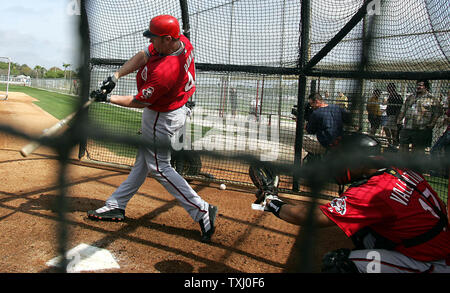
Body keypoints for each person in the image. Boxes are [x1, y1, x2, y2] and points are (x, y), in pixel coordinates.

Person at [87, 14, 218, 243]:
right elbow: (145, 54)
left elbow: (140, 102)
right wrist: (115, 76)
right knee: (143, 162)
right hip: (172, 108)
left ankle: (202, 209)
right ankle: (116, 205)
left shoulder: (166, 71)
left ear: (167, 38)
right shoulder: (180, 42)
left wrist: (107, 99)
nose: (152, 42)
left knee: (159, 167)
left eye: (155, 38)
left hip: (163, 115)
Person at [255, 135, 450, 273]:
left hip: (430, 262)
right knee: (360, 231)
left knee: (338, 264)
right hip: (437, 246)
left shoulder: (372, 191)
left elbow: (312, 217)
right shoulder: (398, 169)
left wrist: (273, 203)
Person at [396, 79, 442, 153]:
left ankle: (415, 163)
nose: (418, 87)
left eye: (420, 85)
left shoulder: (431, 99)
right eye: (417, 85)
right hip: (407, 127)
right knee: (403, 147)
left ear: (426, 87)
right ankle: (403, 163)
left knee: (417, 150)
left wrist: (432, 124)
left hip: (421, 129)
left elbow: (438, 112)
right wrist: (399, 120)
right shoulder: (411, 97)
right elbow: (403, 110)